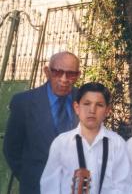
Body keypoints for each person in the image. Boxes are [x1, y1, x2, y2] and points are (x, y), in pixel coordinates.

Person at [3, 51, 81, 194]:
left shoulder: (84, 100)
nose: (64, 79)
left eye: (70, 74)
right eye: (58, 72)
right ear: (47, 72)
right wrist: (30, 178)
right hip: (35, 187)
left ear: (78, 75)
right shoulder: (24, 103)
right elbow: (11, 149)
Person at [40, 82, 131, 193]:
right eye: (87, 104)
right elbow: (50, 185)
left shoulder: (117, 144)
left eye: (99, 105)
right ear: (77, 107)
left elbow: (124, 186)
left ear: (107, 110)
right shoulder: (61, 143)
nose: (92, 110)